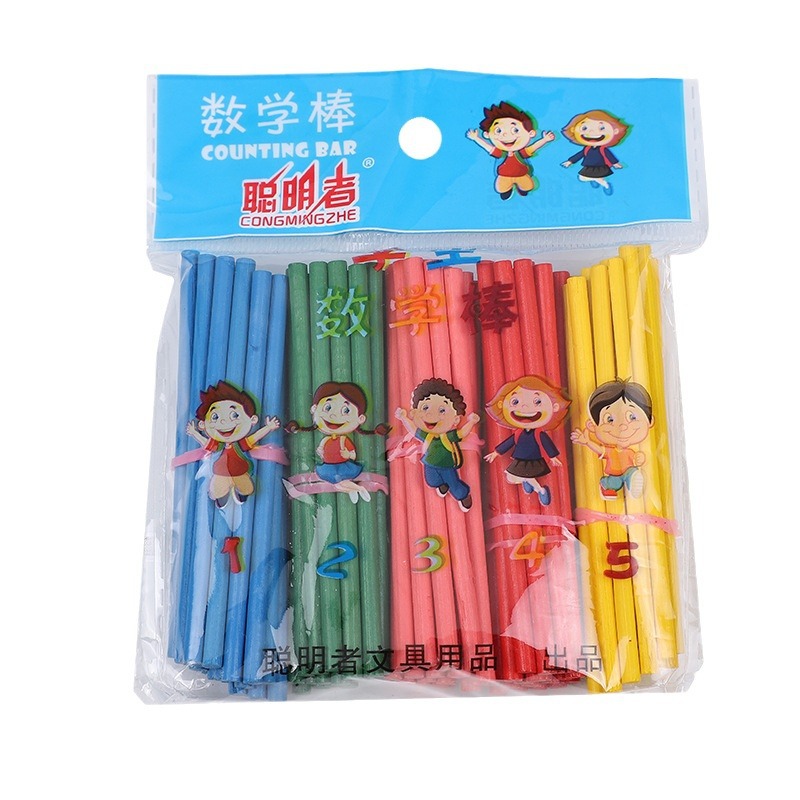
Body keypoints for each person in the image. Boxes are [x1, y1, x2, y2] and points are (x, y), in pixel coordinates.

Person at [286, 381, 389, 504]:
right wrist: (320, 451)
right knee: (338, 484)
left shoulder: (343, 439)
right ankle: (356, 489)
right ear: (314, 408)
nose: (334, 416)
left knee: (339, 483)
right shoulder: (326, 439)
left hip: (342, 466)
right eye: (328, 407)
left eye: (346, 410)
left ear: (361, 418)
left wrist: (348, 454)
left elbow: (352, 454)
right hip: (329, 467)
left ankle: (358, 489)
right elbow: (321, 449)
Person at [186, 380, 280, 508]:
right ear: (202, 424)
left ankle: (241, 495)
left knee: (246, 487)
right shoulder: (219, 445)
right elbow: (206, 443)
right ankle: (222, 498)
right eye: (215, 417)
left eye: (234, 415)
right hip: (221, 471)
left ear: (253, 419)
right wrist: (194, 433)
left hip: (240, 470)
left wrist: (268, 427)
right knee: (217, 489)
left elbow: (254, 437)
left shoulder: (240, 444)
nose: (224, 422)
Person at [395, 378, 480, 512]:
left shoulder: (447, 436)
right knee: (431, 481)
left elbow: (462, 433)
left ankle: (463, 495)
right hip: (429, 464)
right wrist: (403, 418)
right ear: (415, 412)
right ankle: (441, 484)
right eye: (425, 407)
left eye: (442, 410)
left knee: (454, 483)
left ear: (456, 419)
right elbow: (413, 429)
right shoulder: (427, 436)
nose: (431, 414)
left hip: (446, 466)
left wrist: (472, 422)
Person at [484, 375, 570, 506]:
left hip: (533, 460)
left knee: (514, 476)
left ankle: (540, 490)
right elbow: (509, 443)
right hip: (521, 460)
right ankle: (533, 485)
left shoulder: (538, 433)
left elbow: (547, 444)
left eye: (537, 401)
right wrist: (496, 452)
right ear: (501, 405)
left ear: (555, 406)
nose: (524, 407)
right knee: (512, 477)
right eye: (515, 402)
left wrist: (553, 457)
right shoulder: (519, 433)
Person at [570, 378, 654, 500]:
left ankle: (633, 484)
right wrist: (587, 442)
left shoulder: (630, 451)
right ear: (592, 426)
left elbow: (637, 459)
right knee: (614, 483)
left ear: (650, 421)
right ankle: (605, 484)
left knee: (632, 472)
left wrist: (640, 458)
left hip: (627, 472)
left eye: (632, 417)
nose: (622, 426)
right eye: (609, 419)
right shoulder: (610, 450)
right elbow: (599, 449)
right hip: (615, 475)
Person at [466, 101, 555, 199]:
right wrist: (476, 138)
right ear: (487, 134)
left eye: (515, 130)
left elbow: (534, 147)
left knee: (528, 186)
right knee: (501, 188)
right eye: (498, 130)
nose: (506, 135)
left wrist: (545, 140)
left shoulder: (521, 153)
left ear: (531, 133)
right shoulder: (501, 153)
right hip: (504, 176)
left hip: (522, 175)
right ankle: (506, 191)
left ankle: (522, 190)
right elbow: (487, 147)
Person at [561, 109, 629, 195]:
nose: (591, 132)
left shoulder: (602, 149)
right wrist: (570, 161)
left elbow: (609, 156)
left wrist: (615, 163)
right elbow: (579, 155)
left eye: (602, 128)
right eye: (584, 128)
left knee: (583, 177)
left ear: (615, 131)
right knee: (582, 178)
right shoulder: (587, 148)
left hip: (600, 167)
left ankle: (604, 184)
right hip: (589, 167)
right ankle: (599, 180)